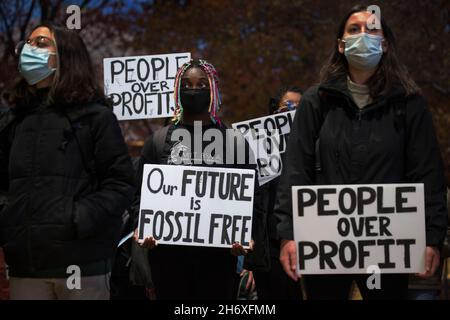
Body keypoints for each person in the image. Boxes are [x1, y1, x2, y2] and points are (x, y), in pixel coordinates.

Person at [275, 5, 448, 300]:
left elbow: (427, 174)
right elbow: (296, 170)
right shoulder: (316, 101)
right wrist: (287, 234)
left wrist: (432, 237)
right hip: (324, 243)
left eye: (372, 28)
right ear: (341, 45)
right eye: (354, 30)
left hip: (387, 244)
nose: (363, 35)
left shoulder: (409, 103)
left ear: (385, 43)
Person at [0, 23, 135, 300]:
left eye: (40, 43)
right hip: (26, 267)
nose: (28, 49)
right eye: (27, 43)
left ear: (66, 54)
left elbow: (120, 183)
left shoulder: (96, 118)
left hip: (83, 267)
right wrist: (9, 220)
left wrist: (78, 219)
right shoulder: (13, 120)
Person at [131, 59, 261, 300]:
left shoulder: (234, 142)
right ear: (177, 91)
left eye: (201, 84)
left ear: (213, 89)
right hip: (168, 260)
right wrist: (144, 226)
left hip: (218, 261)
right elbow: (140, 196)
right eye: (187, 84)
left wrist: (246, 236)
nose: (194, 89)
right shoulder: (158, 141)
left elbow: (253, 198)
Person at [246, 86, 303, 300]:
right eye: (287, 107)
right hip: (268, 249)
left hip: (301, 243)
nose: (292, 112)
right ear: (273, 114)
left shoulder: (314, 148)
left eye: (299, 108)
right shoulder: (258, 150)